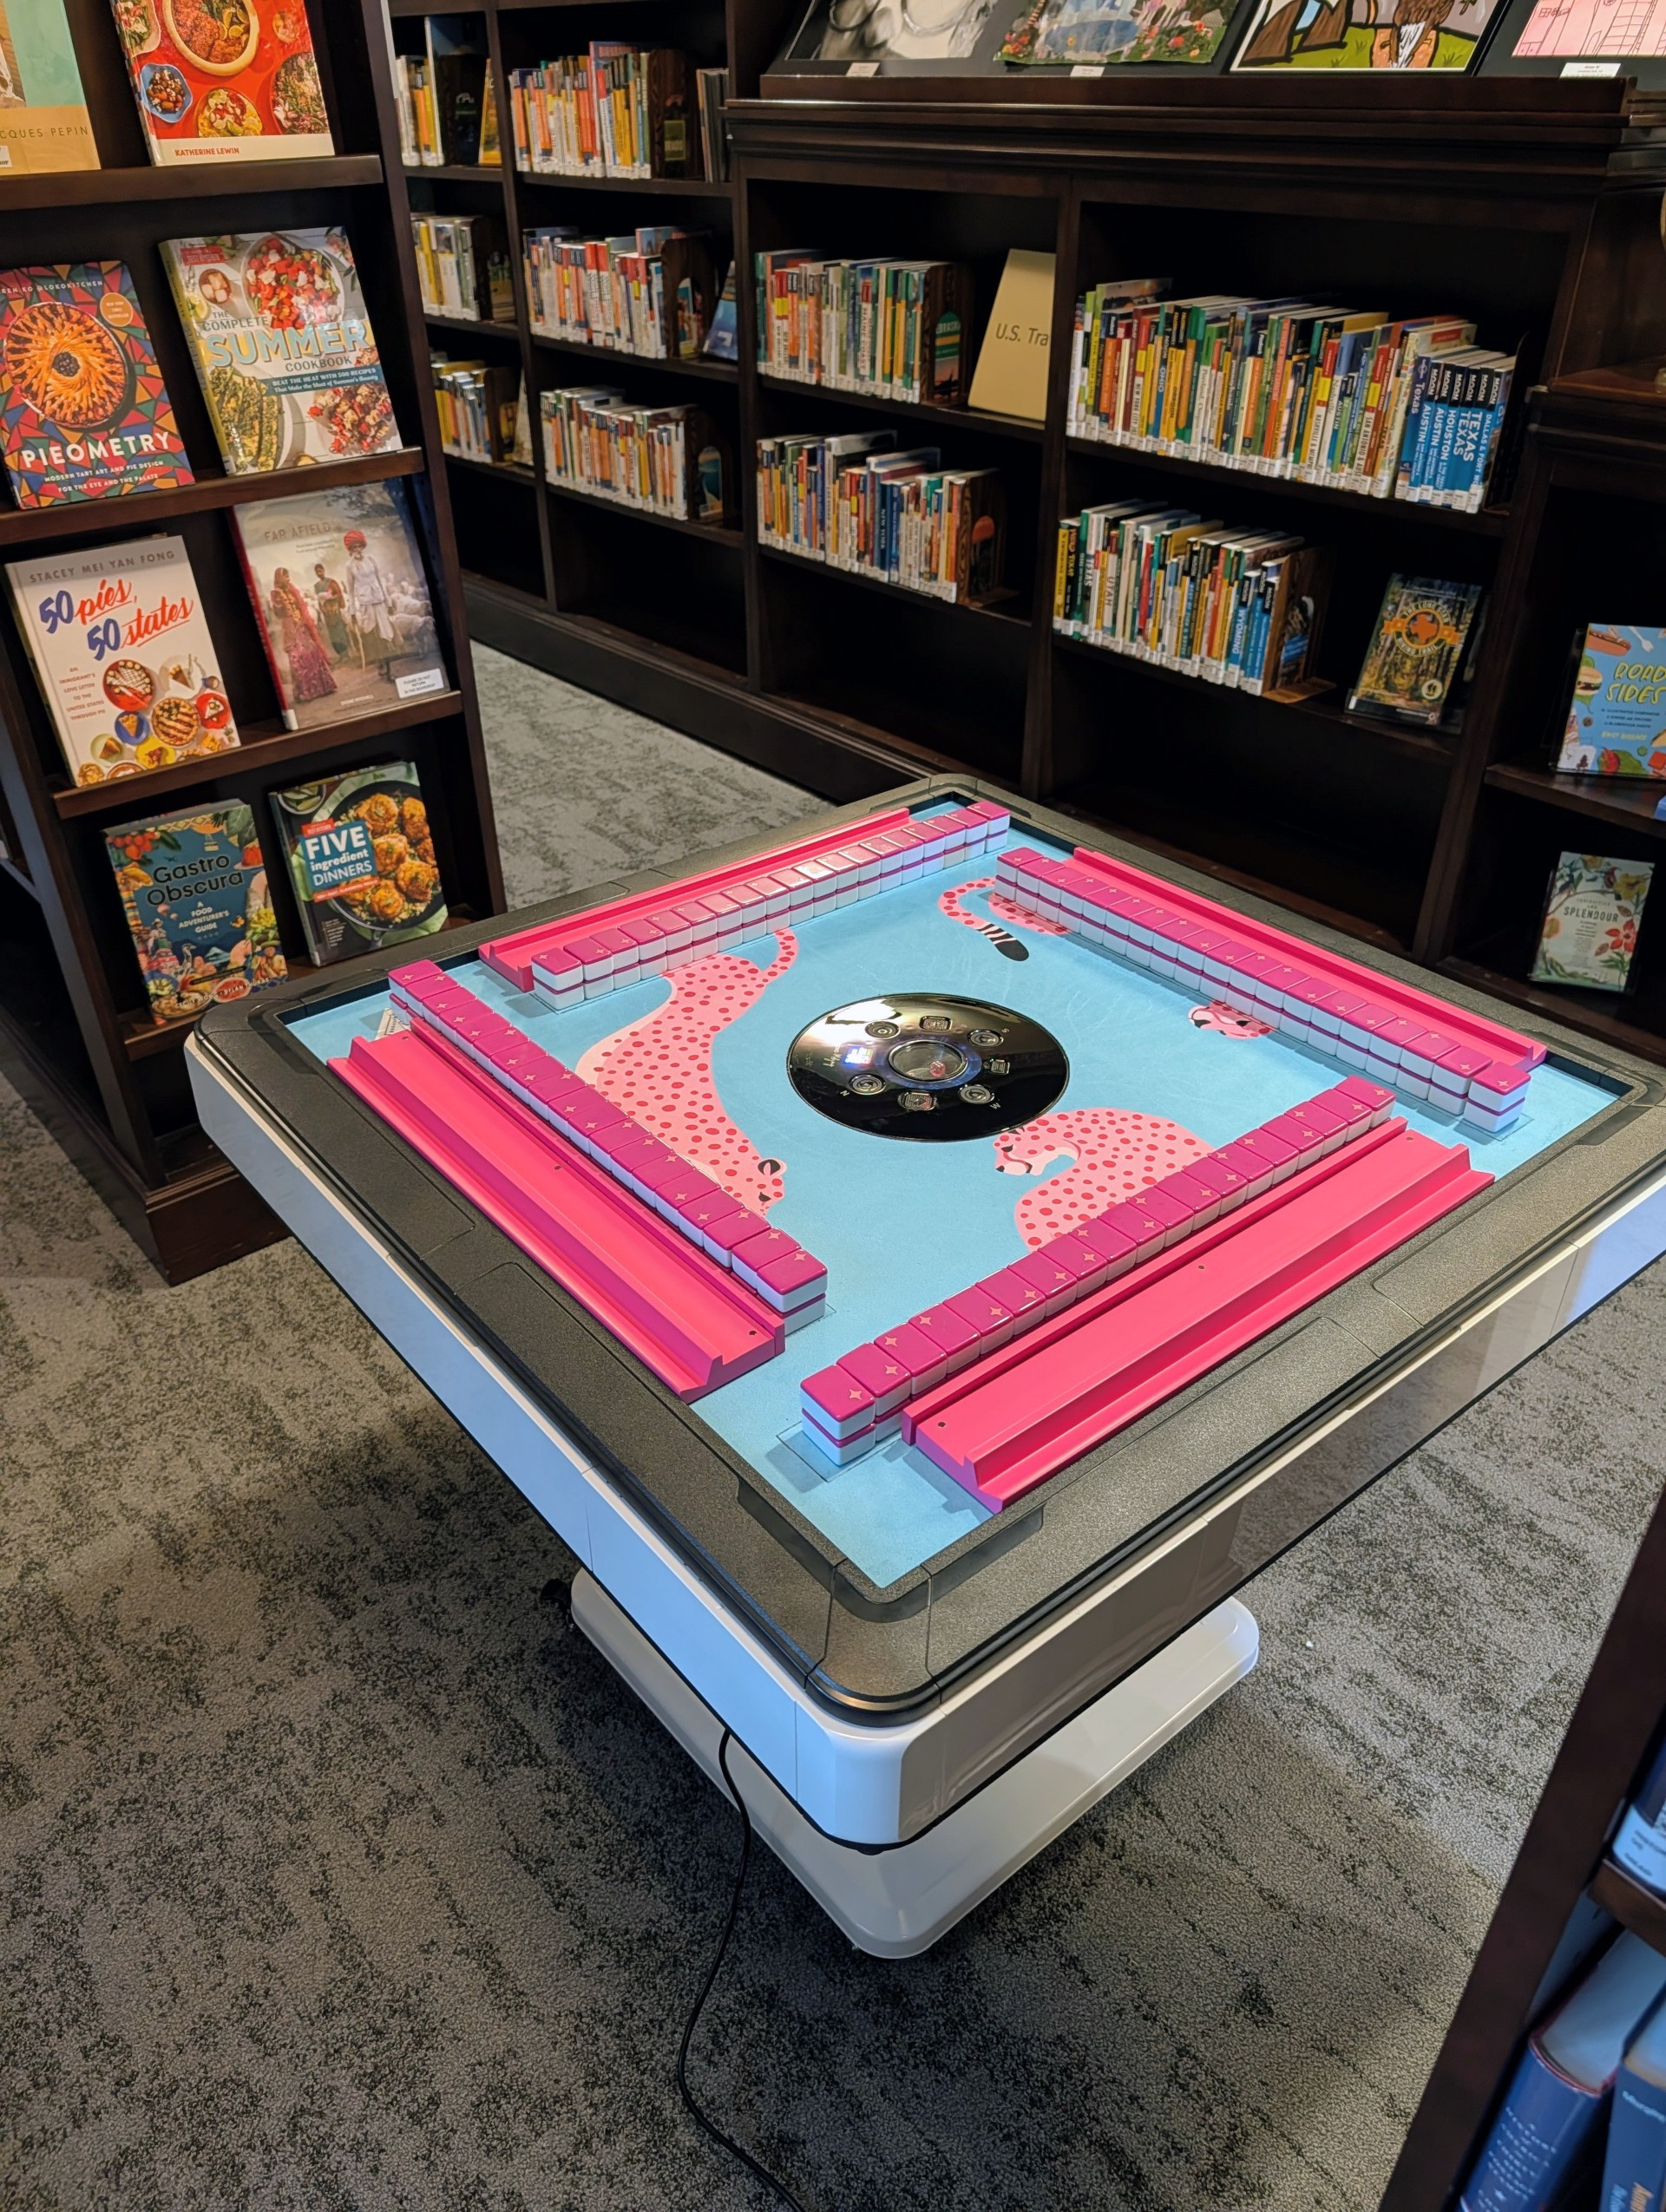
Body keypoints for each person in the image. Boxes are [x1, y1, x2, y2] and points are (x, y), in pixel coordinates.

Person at [267, 566, 336, 706]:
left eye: (288, 576)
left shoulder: (292, 589)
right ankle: (305, 692)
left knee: (312, 654)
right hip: (291, 629)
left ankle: (322, 688)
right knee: (297, 658)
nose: (288, 579)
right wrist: (281, 603)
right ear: (280, 578)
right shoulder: (275, 593)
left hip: (302, 627)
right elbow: (278, 612)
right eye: (286, 577)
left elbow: (300, 606)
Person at [341, 528, 399, 679]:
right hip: (366, 605)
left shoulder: (371, 560)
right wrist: (352, 613)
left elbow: (380, 580)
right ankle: (380, 663)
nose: (357, 549)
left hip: (379, 601)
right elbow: (351, 590)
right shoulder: (349, 566)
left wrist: (388, 602)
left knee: (385, 634)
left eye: (359, 546)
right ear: (350, 549)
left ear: (363, 545)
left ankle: (389, 669)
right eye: (354, 547)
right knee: (372, 635)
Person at [312, 562, 350, 660]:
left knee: (339, 631)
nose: (319, 574)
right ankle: (340, 654)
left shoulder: (331, 582)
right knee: (332, 634)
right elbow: (319, 600)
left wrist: (331, 598)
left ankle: (346, 653)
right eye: (317, 572)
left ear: (324, 571)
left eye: (320, 571)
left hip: (335, 610)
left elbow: (339, 594)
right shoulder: (316, 586)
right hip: (326, 613)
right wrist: (322, 608)